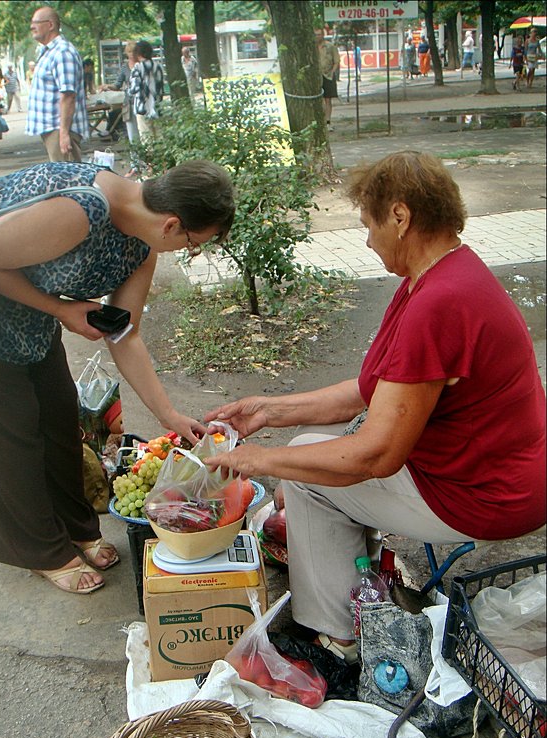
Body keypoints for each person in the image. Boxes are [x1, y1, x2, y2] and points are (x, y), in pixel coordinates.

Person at [202, 151, 546, 663]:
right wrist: (270, 410)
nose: (366, 240)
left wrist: (255, 461)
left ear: (400, 217)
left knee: (304, 477)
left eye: (368, 224)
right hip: (496, 473)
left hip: (483, 494)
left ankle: (339, 640)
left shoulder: (438, 302)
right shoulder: (441, 274)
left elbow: (375, 455)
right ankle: (362, 589)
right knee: (305, 451)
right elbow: (372, 390)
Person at [0, 159, 235, 596]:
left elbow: (124, 332)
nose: (189, 252)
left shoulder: (142, 244)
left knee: (60, 420)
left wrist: (169, 415)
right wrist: (62, 309)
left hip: (26, 312)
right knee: (6, 436)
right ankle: (39, 549)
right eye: (195, 244)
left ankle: (74, 526)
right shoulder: (81, 212)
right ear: (172, 224)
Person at [26, 7, 89, 162]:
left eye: (36, 22)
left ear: (51, 25)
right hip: (54, 129)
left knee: (69, 182)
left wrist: (63, 133)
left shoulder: (62, 52)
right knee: (64, 181)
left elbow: (68, 95)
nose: (31, 26)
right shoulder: (48, 51)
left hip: (59, 129)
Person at [97, 41, 138, 145]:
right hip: (129, 103)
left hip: (141, 102)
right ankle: (135, 156)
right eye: (129, 52)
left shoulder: (141, 65)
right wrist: (107, 86)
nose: (132, 54)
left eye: (133, 51)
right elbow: (117, 85)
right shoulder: (124, 68)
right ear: (126, 53)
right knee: (131, 132)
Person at [129, 39, 164, 142]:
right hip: (157, 106)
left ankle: (150, 158)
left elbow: (133, 89)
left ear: (138, 53)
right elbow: (161, 87)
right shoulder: (158, 66)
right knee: (159, 136)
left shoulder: (137, 67)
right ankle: (162, 157)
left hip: (142, 107)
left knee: (146, 138)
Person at [315, 29, 340, 131]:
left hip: (328, 76)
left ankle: (328, 122)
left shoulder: (330, 46)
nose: (317, 37)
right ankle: (318, 122)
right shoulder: (311, 48)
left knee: (327, 99)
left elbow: (336, 61)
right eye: (315, 35)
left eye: (319, 34)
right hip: (316, 77)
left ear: (323, 35)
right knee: (317, 99)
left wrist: (332, 72)